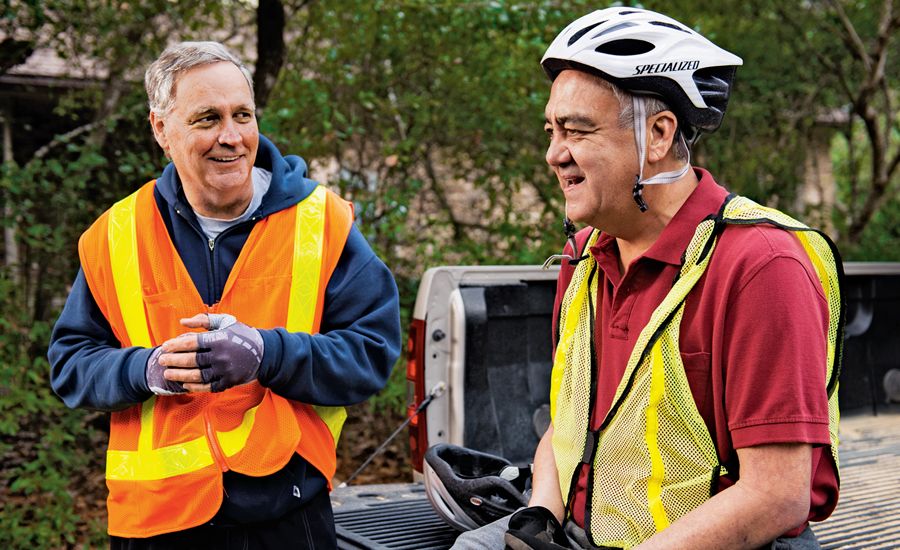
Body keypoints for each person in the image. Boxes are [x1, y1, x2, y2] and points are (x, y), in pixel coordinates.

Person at [453, 7, 842, 550]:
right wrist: (538, 512)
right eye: (550, 130)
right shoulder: (584, 258)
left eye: (576, 131)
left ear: (658, 135)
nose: (553, 154)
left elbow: (778, 494)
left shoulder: (761, 266)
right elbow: (569, 427)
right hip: (583, 532)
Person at [48, 41, 401, 549]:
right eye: (208, 119)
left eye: (243, 115)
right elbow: (70, 364)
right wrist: (145, 370)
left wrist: (267, 354)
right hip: (156, 519)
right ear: (161, 130)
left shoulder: (322, 223)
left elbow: (372, 354)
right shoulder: (115, 235)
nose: (231, 137)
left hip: (287, 509)